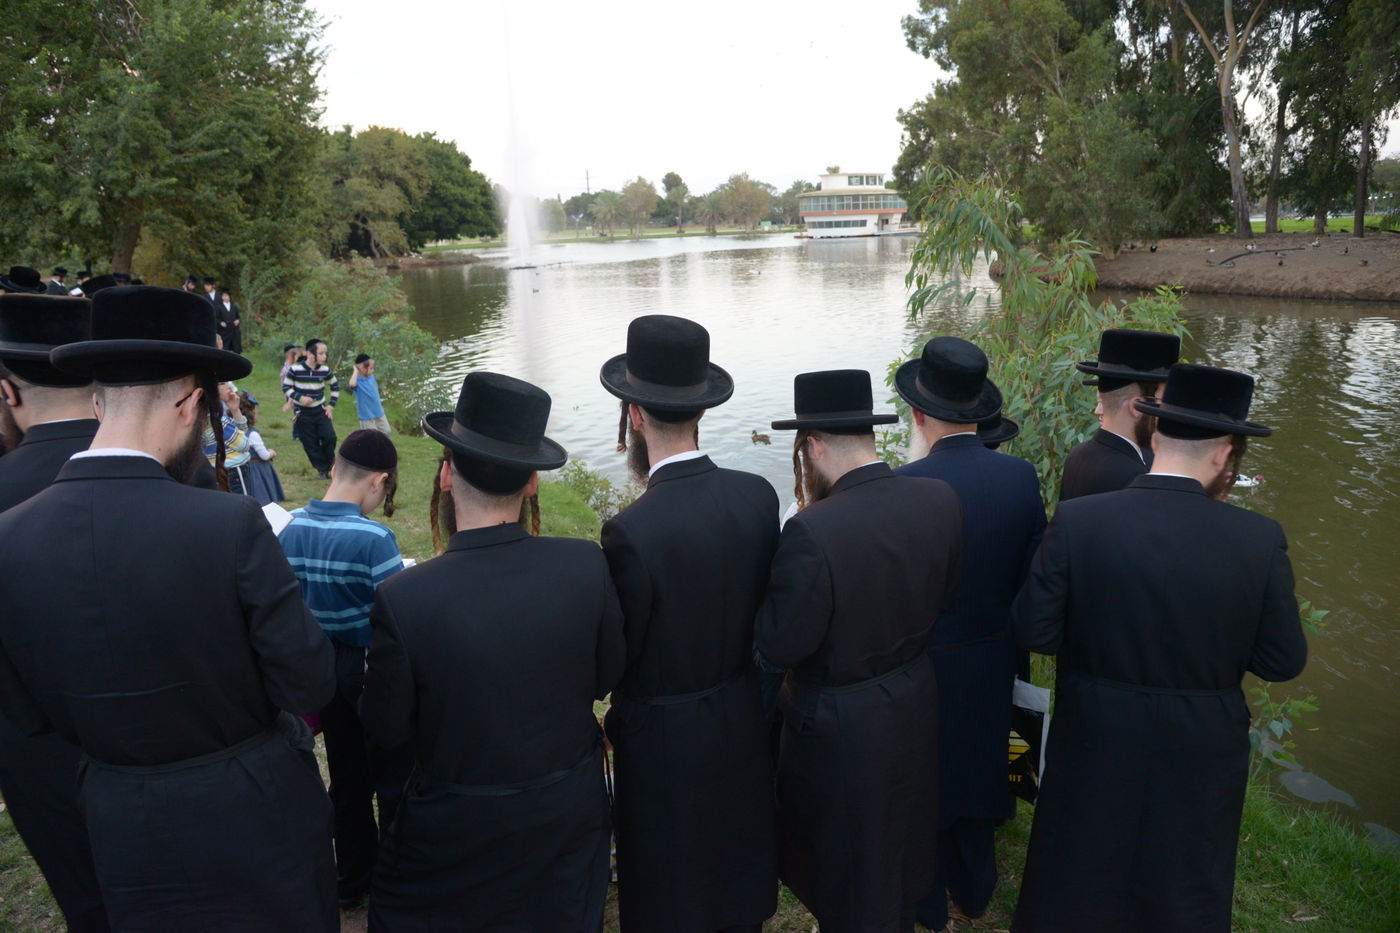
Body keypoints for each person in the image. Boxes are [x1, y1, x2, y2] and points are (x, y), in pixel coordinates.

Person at [0, 285, 338, 931]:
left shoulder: (9, 537)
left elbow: (24, 710)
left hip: (118, 811)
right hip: (253, 805)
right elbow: (307, 678)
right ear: (191, 402)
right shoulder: (228, 523)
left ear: (98, 400)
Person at [1011, 363, 1308, 933]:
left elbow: (1035, 632)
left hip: (1095, 727)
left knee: (1075, 861)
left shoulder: (1080, 520)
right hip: (1200, 741)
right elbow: (1281, 660)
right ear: (1225, 454)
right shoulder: (1257, 539)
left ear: (1155, 434)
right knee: (1185, 871)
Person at [361, 371, 625, 931]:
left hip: (455, 829)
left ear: (446, 474)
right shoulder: (585, 563)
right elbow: (605, 674)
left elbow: (386, 733)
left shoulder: (403, 599)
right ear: (533, 482)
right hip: (565, 814)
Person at [756, 369, 964, 933]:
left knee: (846, 859)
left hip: (838, 725)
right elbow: (945, 595)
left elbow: (781, 643)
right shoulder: (938, 498)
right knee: (900, 834)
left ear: (814, 447)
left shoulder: (811, 531)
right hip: (914, 696)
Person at [599, 315, 779, 933]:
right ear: (701, 411)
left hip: (663, 730)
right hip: (742, 707)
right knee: (736, 846)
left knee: (667, 867)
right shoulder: (758, 495)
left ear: (636, 416)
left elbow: (622, 655)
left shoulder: (631, 530)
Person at [893, 337, 1046, 932]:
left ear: (919, 414)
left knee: (928, 776)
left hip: (927, 661)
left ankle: (929, 900)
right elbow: (1033, 572)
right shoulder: (1019, 476)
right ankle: (977, 886)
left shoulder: (906, 486)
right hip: (997, 655)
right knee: (988, 764)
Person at [0, 293, 108, 932]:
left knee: (90, 901)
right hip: (174, 744)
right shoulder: (177, 473)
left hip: (42, 756)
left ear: (8, 392)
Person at [280, 429, 406, 909]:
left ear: (334, 469)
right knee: (392, 769)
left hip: (320, 666)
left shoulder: (289, 526)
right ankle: (397, 875)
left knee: (348, 774)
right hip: (366, 667)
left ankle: (353, 878)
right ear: (378, 481)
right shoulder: (373, 538)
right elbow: (397, 613)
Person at [1059, 329, 1179, 501]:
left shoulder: (1077, 456)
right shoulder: (1137, 478)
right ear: (1137, 407)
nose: (1166, 412)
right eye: (1162, 400)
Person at [283, 337, 340, 479]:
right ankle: (322, 470)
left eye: (325, 353)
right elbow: (286, 387)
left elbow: (335, 387)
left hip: (320, 411)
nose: (324, 356)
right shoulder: (295, 369)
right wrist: (300, 398)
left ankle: (329, 463)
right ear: (309, 354)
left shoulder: (325, 370)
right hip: (302, 413)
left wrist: (330, 406)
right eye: (321, 353)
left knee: (330, 437)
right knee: (310, 442)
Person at [202, 381, 253, 495]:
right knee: (242, 508)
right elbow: (244, 445)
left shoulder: (208, 415)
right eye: (222, 383)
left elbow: (242, 432)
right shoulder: (218, 421)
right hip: (234, 472)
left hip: (219, 471)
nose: (229, 386)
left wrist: (235, 410)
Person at [239, 391, 286, 505]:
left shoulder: (236, 431)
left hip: (242, 469)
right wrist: (271, 453)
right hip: (257, 471)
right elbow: (264, 455)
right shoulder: (253, 434)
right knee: (262, 496)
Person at [349, 353, 390, 434]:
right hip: (366, 416)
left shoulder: (371, 377)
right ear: (363, 369)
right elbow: (352, 384)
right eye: (371, 368)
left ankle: (382, 446)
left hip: (378, 412)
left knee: (386, 431)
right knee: (371, 436)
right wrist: (355, 371)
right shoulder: (357, 382)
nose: (373, 370)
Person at [217, 288, 242, 354]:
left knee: (236, 348)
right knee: (225, 348)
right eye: (223, 296)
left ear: (229, 297)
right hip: (224, 330)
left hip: (234, 329)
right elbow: (216, 319)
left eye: (226, 296)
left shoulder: (234, 307)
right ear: (221, 297)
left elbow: (238, 317)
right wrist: (220, 322)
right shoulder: (219, 307)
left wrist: (237, 321)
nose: (225, 297)